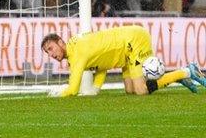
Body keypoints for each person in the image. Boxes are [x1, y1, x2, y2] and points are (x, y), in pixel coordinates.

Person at [41, 25, 206, 97]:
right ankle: (178, 76)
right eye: (47, 52)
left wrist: (58, 93)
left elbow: (72, 90)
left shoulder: (77, 54)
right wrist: (96, 88)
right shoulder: (74, 51)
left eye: (51, 48)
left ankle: (186, 71)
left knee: (140, 90)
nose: (51, 54)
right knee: (130, 90)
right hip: (124, 52)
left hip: (133, 41)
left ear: (61, 42)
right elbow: (101, 65)